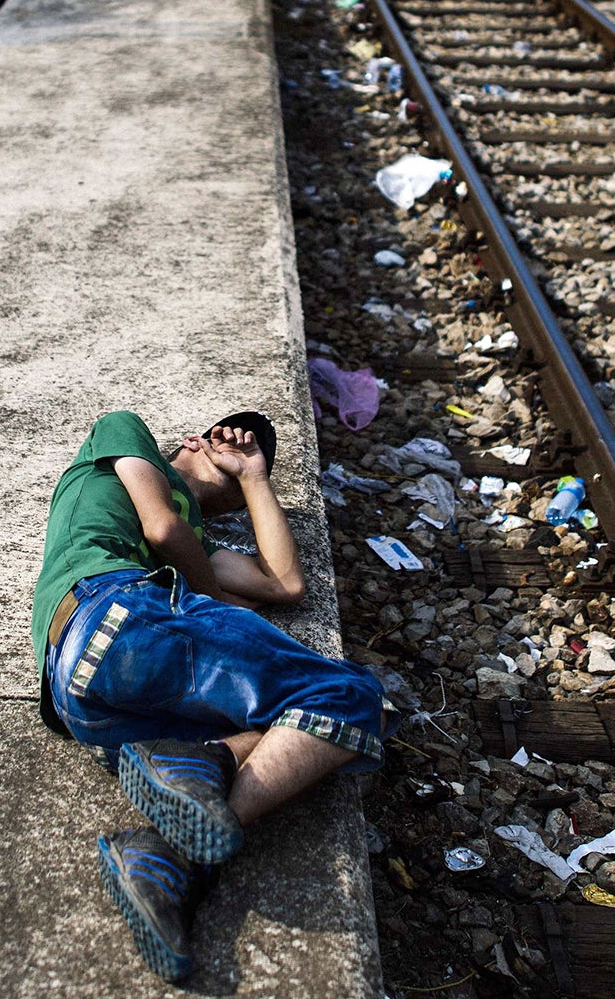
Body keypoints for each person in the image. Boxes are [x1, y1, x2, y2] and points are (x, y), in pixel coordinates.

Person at [36, 411, 383, 982]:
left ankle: (166, 857)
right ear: (201, 440)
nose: (245, 457)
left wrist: (253, 480)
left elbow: (285, 584)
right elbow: (161, 528)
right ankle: (204, 769)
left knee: (294, 729)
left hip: (83, 698)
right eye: (236, 445)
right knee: (348, 694)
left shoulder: (199, 543)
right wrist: (216, 602)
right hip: (116, 611)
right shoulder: (126, 436)